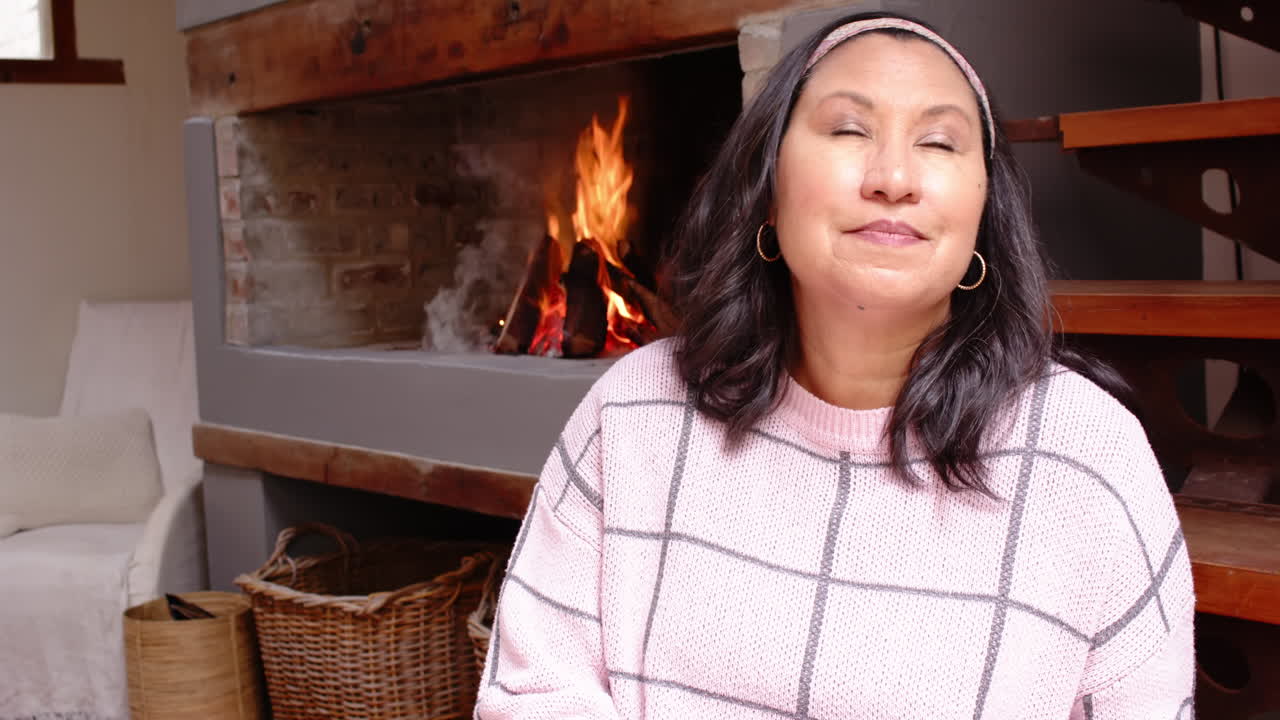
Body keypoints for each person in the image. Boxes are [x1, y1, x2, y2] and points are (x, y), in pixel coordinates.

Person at [474, 11, 1195, 720]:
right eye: (849, 129)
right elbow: (536, 692)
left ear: (983, 208)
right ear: (768, 186)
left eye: (940, 143)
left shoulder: (1087, 458)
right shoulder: (635, 410)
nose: (893, 176)